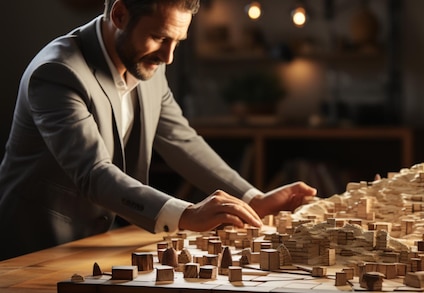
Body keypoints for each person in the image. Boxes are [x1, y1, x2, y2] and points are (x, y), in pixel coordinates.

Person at [0, 0, 317, 261]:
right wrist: (188, 214)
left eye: (178, 42)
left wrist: (252, 198)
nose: (168, 56)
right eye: (160, 38)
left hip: (92, 249)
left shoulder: (148, 63)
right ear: (120, 14)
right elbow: (93, 173)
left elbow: (182, 141)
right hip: (29, 252)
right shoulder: (57, 72)